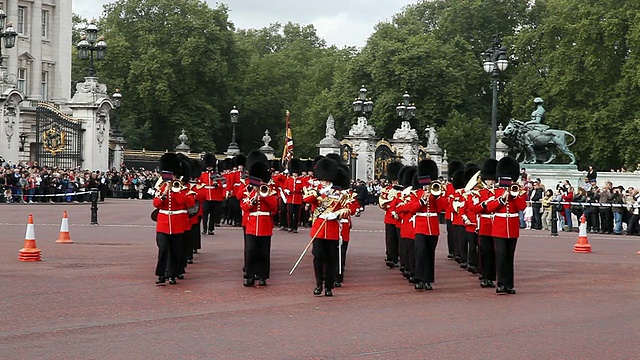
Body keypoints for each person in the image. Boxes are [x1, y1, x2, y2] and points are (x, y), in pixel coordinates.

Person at [303, 158, 357, 297]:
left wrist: (337, 214)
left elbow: (350, 208)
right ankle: (318, 284)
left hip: (332, 229)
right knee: (318, 256)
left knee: (330, 258)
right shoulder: (317, 190)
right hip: (318, 230)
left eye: (326, 180)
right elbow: (307, 199)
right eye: (323, 180)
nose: (324, 182)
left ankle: (328, 286)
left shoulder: (340, 194)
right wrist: (321, 192)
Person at [484, 156, 526, 295]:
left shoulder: (518, 191)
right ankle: (501, 283)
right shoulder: (495, 191)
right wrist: (502, 199)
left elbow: (521, 207)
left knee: (509, 256)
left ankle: (509, 284)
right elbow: (490, 207)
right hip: (499, 228)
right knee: (501, 256)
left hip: (512, 228)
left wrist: (514, 195)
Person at [153, 153, 195, 286]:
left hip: (178, 223)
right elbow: (156, 203)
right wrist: (165, 193)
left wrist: (176, 191)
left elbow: (189, 203)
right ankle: (161, 274)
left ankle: (172, 274)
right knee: (163, 249)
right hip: (163, 223)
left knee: (176, 251)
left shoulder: (184, 188)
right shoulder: (162, 187)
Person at [406, 160, 448, 291]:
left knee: (430, 253)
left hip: (433, 227)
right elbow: (411, 209)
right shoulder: (415, 194)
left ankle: (428, 280)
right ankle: (419, 279)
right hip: (420, 226)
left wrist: (436, 197)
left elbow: (443, 207)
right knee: (420, 252)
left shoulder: (437, 193)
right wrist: (422, 199)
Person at [241, 159, 277, 287]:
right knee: (251, 251)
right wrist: (253, 197)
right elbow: (244, 207)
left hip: (265, 225)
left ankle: (262, 276)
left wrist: (263, 196)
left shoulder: (269, 191)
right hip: (251, 225)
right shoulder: (248, 191)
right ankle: (250, 276)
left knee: (263, 252)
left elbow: (274, 207)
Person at [379, 161, 403, 268]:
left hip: (400, 217)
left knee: (400, 238)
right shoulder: (387, 190)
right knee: (390, 238)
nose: (395, 181)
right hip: (389, 217)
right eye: (394, 179)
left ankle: (399, 256)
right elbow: (382, 202)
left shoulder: (403, 190)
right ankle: (390, 256)